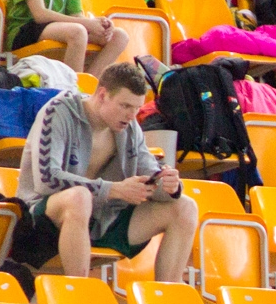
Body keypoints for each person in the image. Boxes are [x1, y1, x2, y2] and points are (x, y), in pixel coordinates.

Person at [17, 63, 196, 282]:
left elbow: (151, 175)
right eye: (125, 105)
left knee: (185, 207)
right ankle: (78, 290)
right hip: (44, 219)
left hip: (103, 218)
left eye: (136, 108)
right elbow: (47, 179)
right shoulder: (58, 112)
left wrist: (169, 186)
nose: (131, 115)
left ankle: (168, 295)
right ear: (102, 95)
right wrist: (113, 190)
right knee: (79, 198)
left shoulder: (130, 128)